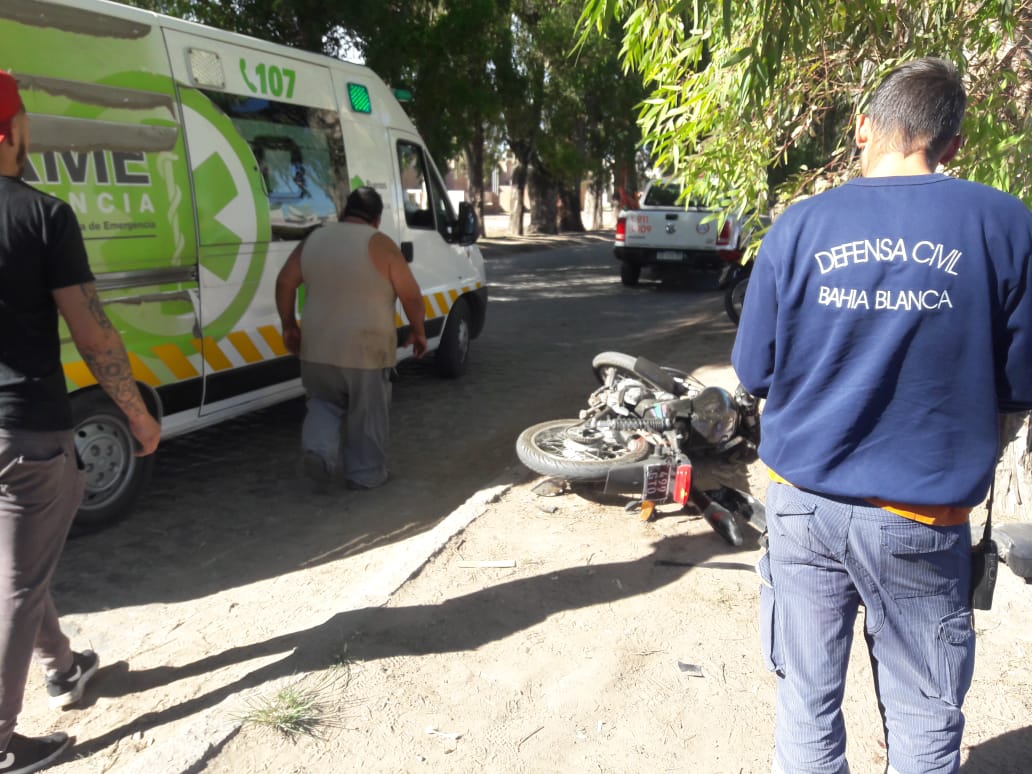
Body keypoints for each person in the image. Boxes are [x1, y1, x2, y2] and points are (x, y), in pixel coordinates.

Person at [732, 57, 1032, 774]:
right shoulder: (1004, 224)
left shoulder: (799, 225)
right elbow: (1019, 385)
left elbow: (753, 371)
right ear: (952, 145)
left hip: (802, 507)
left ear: (864, 126)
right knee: (924, 714)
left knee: (805, 704)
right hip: (921, 519)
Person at [0, 70, 162, 772]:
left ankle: (64, 667)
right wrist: (137, 418)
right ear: (11, 134)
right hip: (25, 429)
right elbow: (95, 339)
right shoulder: (42, 215)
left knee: (20, 566)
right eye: (27, 121)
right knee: (17, 580)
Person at [275, 186, 427, 490]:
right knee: (366, 411)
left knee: (322, 403)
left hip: (317, 347)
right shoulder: (381, 244)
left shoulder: (314, 239)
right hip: (365, 349)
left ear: (345, 212)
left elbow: (285, 282)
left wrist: (289, 326)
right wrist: (418, 331)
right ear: (377, 219)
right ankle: (365, 474)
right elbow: (410, 295)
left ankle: (318, 452)